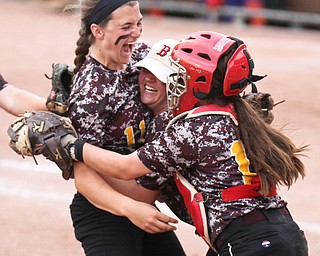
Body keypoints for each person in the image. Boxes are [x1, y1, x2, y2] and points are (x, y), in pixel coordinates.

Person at [62, 31, 308, 255]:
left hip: (250, 243)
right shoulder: (237, 111)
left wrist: (68, 145)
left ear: (199, 82)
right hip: (281, 233)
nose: (176, 80)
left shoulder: (190, 128)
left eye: (180, 74)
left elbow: (126, 169)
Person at [64, 0, 186, 255]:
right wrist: (131, 209)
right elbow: (83, 174)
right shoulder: (91, 92)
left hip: (142, 202)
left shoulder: (141, 57)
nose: (137, 33)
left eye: (139, 24)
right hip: (105, 211)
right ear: (98, 31)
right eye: (127, 26)